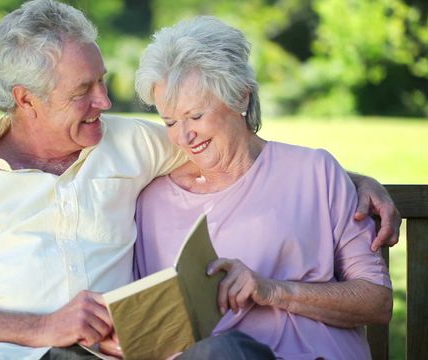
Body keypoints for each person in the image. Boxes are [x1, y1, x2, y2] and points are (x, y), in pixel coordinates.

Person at [0, 1, 398, 359]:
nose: (105, 103)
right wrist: (42, 328)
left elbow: (236, 146)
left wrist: (355, 180)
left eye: (103, 80)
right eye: (83, 91)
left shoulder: (126, 143)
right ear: (26, 100)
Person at [133, 16, 393, 359]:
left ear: (240, 98)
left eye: (195, 116)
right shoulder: (151, 202)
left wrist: (273, 291)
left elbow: (376, 302)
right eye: (169, 121)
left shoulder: (315, 173)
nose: (184, 135)